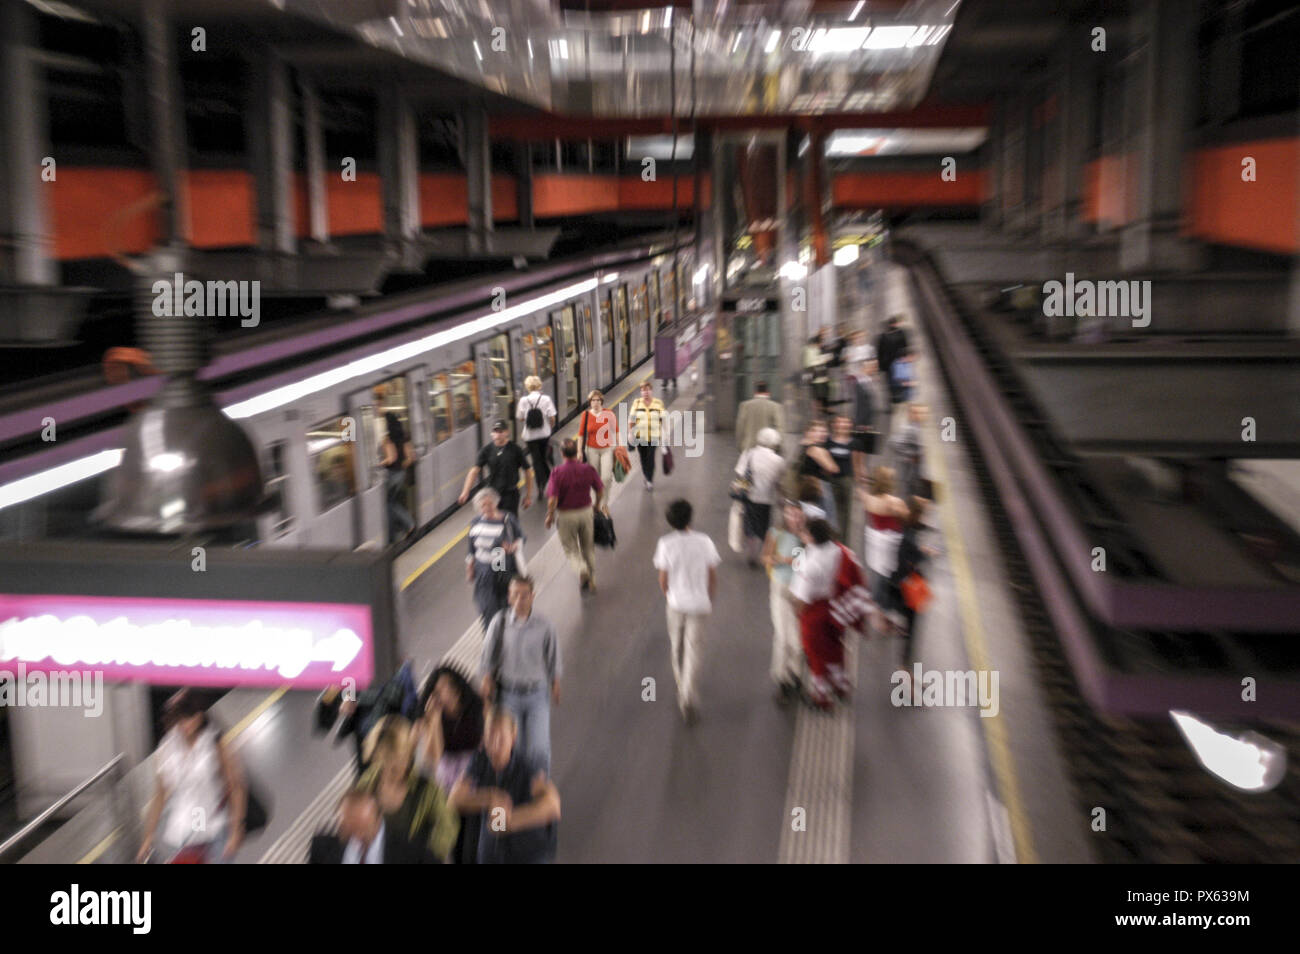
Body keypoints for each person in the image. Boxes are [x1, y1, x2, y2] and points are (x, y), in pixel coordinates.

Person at [137, 690, 246, 863]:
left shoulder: (215, 743)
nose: (185, 724)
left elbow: (236, 786)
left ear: (200, 715)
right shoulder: (167, 749)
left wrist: (236, 830)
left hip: (218, 826)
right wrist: (148, 836)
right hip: (187, 831)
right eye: (180, 719)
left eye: (190, 717)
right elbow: (160, 794)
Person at [450, 707, 561, 864]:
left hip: (524, 855)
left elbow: (552, 806)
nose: (494, 745)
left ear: (513, 736)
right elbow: (454, 799)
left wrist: (511, 821)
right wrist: (490, 797)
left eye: (501, 738)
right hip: (491, 856)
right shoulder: (479, 761)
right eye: (490, 737)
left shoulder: (527, 768)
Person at [478, 575, 561, 773]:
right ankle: (517, 788)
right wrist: (487, 678)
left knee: (539, 749)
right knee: (515, 747)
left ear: (533, 596)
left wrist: (555, 682)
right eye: (515, 595)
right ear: (509, 597)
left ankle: (540, 787)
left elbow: (553, 655)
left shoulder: (545, 625)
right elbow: (488, 654)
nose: (520, 600)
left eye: (525, 595)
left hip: (537, 695)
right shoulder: (500, 622)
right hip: (508, 696)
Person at [788, 518, 871, 710]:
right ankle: (841, 685)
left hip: (813, 613)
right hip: (834, 608)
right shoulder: (839, 550)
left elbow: (802, 598)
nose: (801, 534)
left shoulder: (811, 564)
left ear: (811, 536)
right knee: (834, 649)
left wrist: (797, 614)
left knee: (815, 654)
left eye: (804, 532)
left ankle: (821, 697)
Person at [652, 499, 721, 725]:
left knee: (677, 646)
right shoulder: (704, 542)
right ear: (691, 517)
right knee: (694, 649)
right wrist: (709, 597)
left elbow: (663, 579)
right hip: (700, 604)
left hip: (676, 603)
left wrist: (669, 595)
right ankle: (688, 697)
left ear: (670, 521)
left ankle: (682, 686)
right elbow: (712, 575)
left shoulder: (665, 543)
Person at [356, 717, 460, 863]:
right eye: (388, 760)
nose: (397, 767)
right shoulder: (366, 784)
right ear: (376, 757)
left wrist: (427, 855)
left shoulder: (427, 788)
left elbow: (448, 826)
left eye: (401, 758)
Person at [413, 666, 485, 863]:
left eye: (449, 686)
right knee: (458, 840)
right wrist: (434, 720)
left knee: (488, 834)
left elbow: (488, 741)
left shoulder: (476, 705)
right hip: (448, 781)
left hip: (477, 775)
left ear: (458, 686)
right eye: (438, 691)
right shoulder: (431, 716)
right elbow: (433, 757)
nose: (445, 693)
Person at [308, 787, 437, 864]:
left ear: (378, 820)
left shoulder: (412, 850)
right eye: (348, 830)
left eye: (362, 829)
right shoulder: (322, 848)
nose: (357, 837)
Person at [546, 437, 605, 594]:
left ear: (562, 453)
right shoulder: (588, 469)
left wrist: (550, 516)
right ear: (576, 453)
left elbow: (553, 499)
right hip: (586, 512)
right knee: (588, 548)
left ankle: (582, 569)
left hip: (566, 516)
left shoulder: (557, 473)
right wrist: (597, 506)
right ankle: (591, 579)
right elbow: (600, 490)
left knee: (571, 549)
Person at [761, 499, 806, 705]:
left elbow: (807, 563)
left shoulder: (807, 537)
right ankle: (782, 681)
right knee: (782, 637)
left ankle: (795, 675)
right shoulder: (776, 533)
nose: (794, 518)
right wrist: (775, 559)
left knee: (797, 641)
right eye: (790, 514)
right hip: (780, 589)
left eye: (797, 514)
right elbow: (766, 557)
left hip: (801, 592)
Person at [465, 487, 525, 629]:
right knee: (486, 606)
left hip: (500, 562)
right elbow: (471, 549)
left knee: (504, 603)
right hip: (482, 569)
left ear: (496, 503)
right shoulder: (475, 522)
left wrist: (512, 547)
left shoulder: (507, 519)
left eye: (489, 504)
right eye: (482, 505)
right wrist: (470, 567)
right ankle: (491, 636)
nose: (486, 508)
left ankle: (506, 631)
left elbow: (521, 538)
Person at [890, 496, 933, 681]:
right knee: (910, 633)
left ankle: (907, 671)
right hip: (907, 590)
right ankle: (905, 673)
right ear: (920, 515)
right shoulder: (909, 538)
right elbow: (908, 560)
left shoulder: (908, 531)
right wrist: (923, 555)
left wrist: (920, 552)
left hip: (903, 588)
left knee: (910, 634)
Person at [862, 465, 908, 633]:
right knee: (892, 579)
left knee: (879, 576)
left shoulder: (869, 499)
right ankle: (884, 614)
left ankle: (880, 614)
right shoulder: (893, 502)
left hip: (876, 542)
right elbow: (907, 517)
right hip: (892, 543)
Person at [458, 420, 534, 517]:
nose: (497, 434)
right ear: (491, 433)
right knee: (493, 519)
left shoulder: (515, 449)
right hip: (493, 494)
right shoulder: (486, 451)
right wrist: (465, 491)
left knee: (509, 521)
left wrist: (528, 496)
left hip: (510, 494)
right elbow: (474, 471)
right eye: (495, 431)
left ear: (507, 432)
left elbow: (527, 471)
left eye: (500, 431)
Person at [734, 427, 785, 566]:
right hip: (767, 499)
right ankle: (765, 552)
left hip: (749, 496)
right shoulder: (778, 460)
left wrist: (739, 488)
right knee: (764, 526)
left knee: (750, 525)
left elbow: (740, 473)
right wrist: (781, 499)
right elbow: (779, 483)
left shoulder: (749, 454)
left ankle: (752, 553)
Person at [797, 419, 840, 531]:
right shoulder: (816, 449)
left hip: (807, 488)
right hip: (820, 487)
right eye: (817, 431)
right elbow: (833, 468)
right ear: (809, 432)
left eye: (824, 431)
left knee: (810, 521)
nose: (822, 434)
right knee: (828, 522)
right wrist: (826, 454)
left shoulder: (804, 445)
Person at [516, 375, 556, 493]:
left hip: (530, 436)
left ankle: (540, 484)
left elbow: (521, 418)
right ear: (539, 385)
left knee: (535, 460)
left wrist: (529, 419)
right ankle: (549, 478)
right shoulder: (546, 399)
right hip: (544, 434)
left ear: (527, 387)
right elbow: (552, 417)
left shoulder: (523, 400)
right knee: (544, 458)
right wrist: (550, 427)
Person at [382, 411, 416, 543]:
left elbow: (391, 458)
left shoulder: (388, 438)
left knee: (389, 503)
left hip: (391, 474)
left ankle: (407, 526)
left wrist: (378, 464)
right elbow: (410, 458)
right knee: (391, 502)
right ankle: (403, 528)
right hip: (401, 474)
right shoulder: (404, 435)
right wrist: (401, 467)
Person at [629, 378, 668, 490]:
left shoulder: (658, 403)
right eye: (643, 390)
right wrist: (630, 433)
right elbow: (631, 419)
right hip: (640, 436)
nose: (645, 392)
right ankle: (646, 475)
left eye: (647, 390)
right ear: (641, 392)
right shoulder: (637, 403)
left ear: (651, 391)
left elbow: (663, 419)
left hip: (654, 436)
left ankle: (649, 479)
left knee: (650, 457)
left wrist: (665, 434)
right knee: (643, 458)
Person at [578, 389, 618, 489]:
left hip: (607, 448)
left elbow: (616, 431)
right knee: (594, 476)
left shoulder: (608, 413)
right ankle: (597, 498)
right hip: (591, 449)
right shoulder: (585, 415)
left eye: (598, 400)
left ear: (601, 401)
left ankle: (604, 499)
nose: (595, 403)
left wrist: (619, 446)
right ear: (590, 402)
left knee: (606, 477)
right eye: (593, 400)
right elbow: (581, 435)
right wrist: (579, 451)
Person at [826, 416, 858, 542]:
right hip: (830, 480)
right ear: (834, 425)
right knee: (830, 511)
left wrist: (859, 483)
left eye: (845, 422)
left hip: (846, 480)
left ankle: (843, 543)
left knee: (845, 514)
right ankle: (829, 540)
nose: (842, 425)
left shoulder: (854, 442)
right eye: (839, 422)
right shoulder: (828, 441)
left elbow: (857, 464)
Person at [890, 402, 929, 501]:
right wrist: (910, 456)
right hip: (906, 475)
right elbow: (893, 442)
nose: (921, 416)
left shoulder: (917, 427)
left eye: (923, 413)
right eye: (917, 413)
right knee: (904, 499)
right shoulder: (907, 429)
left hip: (912, 475)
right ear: (910, 414)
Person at [735, 380, 785, 452]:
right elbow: (780, 428)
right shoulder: (775, 407)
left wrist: (740, 446)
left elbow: (740, 428)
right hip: (768, 449)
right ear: (768, 392)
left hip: (748, 448)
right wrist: (778, 446)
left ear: (755, 392)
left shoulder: (745, 405)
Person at [874, 314, 909, 387]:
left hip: (892, 363)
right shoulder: (901, 333)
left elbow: (879, 352)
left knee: (894, 382)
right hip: (896, 362)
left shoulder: (883, 337)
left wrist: (880, 367)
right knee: (898, 381)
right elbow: (905, 346)